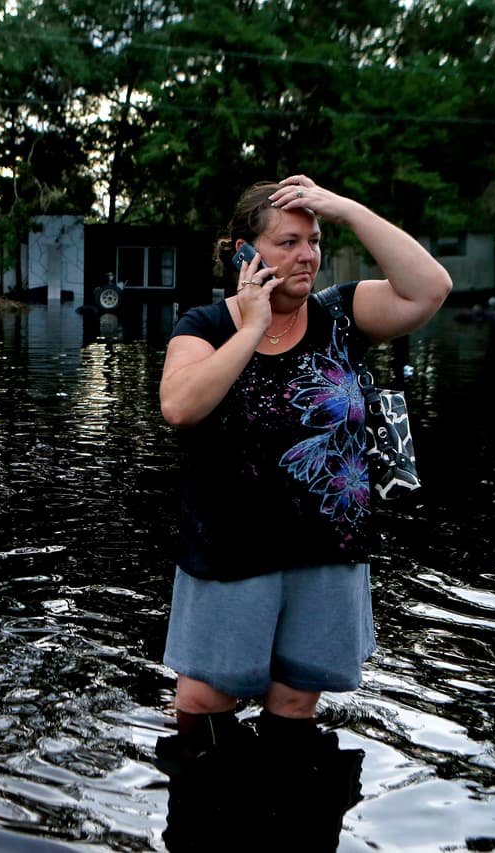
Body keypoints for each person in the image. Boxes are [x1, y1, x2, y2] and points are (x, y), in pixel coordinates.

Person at [154, 174, 451, 834]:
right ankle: (208, 827)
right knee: (204, 698)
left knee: (295, 701)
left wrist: (344, 207)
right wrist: (251, 325)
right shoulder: (204, 325)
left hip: (326, 552)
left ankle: (290, 828)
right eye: (287, 241)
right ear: (244, 254)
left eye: (313, 241)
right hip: (232, 553)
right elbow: (180, 405)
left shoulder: (343, 315)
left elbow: (430, 288)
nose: (306, 255)